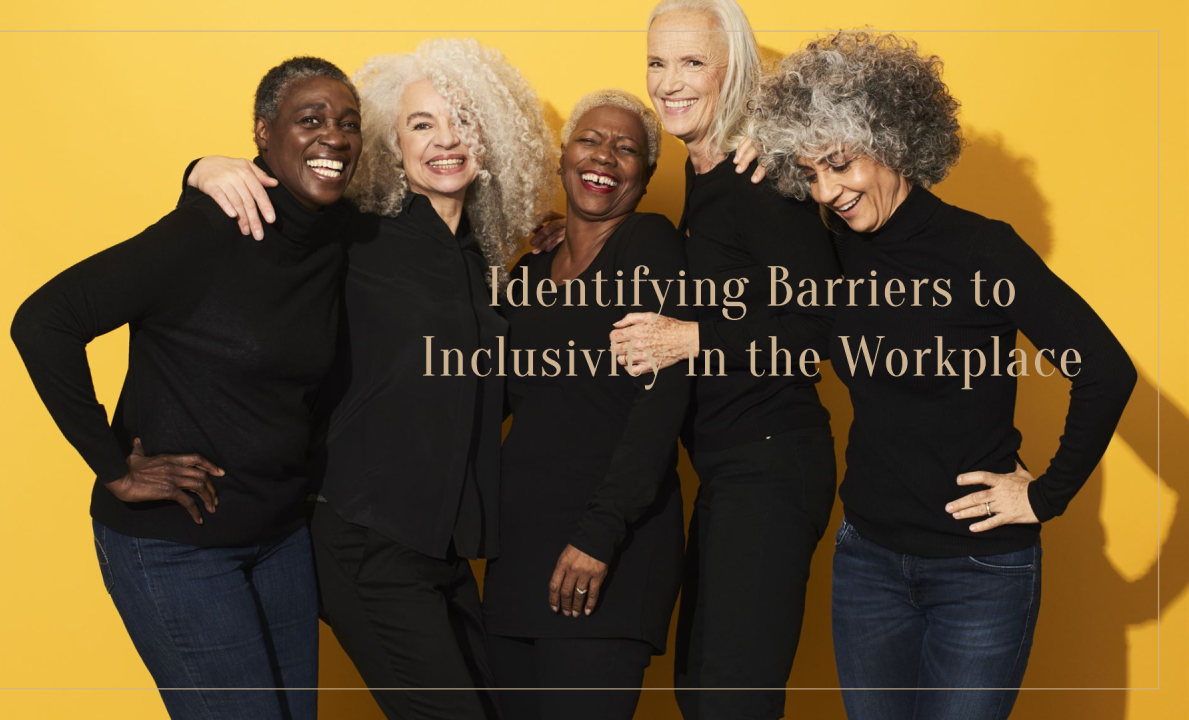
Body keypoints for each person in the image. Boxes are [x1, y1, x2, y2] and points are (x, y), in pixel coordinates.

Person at [748, 30, 1138, 720]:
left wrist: (1046, 496)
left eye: (840, 164)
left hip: (980, 575)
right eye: (810, 172)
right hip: (866, 562)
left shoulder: (982, 249)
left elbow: (1105, 370)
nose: (828, 190)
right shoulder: (830, 250)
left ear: (892, 138)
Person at [183, 38, 557, 720]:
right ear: (393, 143)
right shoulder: (351, 237)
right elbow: (245, 231)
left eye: (463, 120)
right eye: (422, 124)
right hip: (363, 537)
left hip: (442, 548)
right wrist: (202, 171)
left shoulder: (486, 260)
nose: (445, 140)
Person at [10, 56, 362, 720]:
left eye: (349, 123)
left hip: (282, 538)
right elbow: (44, 322)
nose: (335, 138)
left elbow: (434, 224)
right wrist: (113, 468)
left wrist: (545, 236)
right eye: (309, 119)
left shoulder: (340, 237)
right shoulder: (203, 232)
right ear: (263, 132)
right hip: (175, 545)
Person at [606, 2, 842, 718]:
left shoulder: (760, 174)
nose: (669, 83)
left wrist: (692, 339)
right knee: (704, 691)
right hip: (729, 469)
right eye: (657, 62)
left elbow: (826, 322)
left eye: (691, 62)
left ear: (731, 68)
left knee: (728, 699)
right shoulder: (707, 176)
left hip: (772, 464)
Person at [482, 90, 691, 720]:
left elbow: (661, 404)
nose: (605, 156)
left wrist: (599, 536)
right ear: (563, 156)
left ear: (647, 176)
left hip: (608, 552)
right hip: (517, 554)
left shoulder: (648, 244)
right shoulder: (526, 274)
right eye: (590, 140)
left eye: (627, 149)